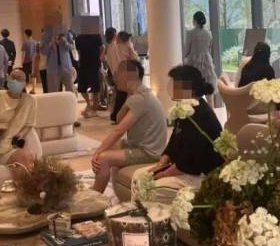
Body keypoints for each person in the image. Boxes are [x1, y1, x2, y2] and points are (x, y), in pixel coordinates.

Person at [141, 65, 224, 203]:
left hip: (199, 175)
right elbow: (174, 140)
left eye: (174, 84)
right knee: (140, 176)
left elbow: (190, 158)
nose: (171, 87)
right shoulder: (184, 109)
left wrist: (165, 173)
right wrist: (160, 165)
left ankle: (148, 215)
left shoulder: (200, 114)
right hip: (183, 168)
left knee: (149, 189)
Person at [91, 60, 167, 193]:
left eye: (117, 73)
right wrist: (128, 95)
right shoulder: (138, 95)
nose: (114, 77)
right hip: (140, 144)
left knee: (101, 159)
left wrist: (96, 153)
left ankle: (95, 196)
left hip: (148, 152)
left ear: (128, 75)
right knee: (107, 147)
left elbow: (119, 130)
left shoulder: (140, 98)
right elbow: (119, 119)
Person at [0, 69, 37, 175]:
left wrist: (21, 135)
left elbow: (29, 125)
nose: (16, 81)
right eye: (13, 78)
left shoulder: (29, 101)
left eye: (19, 79)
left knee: (26, 161)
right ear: (8, 79)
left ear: (24, 83)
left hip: (9, 147)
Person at [106, 31, 138, 123]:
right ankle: (117, 116)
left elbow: (109, 62)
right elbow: (135, 59)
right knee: (124, 96)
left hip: (115, 74)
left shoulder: (110, 47)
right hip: (126, 74)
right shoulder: (126, 47)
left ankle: (115, 116)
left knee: (119, 95)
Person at [184, 11, 216, 106]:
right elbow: (209, 48)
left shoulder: (190, 33)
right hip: (207, 63)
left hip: (194, 63)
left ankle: (195, 113)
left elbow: (186, 50)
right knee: (209, 94)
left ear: (195, 21)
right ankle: (211, 112)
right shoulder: (209, 33)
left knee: (193, 93)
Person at [74, 29, 105, 117]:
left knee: (95, 87)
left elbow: (102, 48)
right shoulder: (79, 37)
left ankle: (94, 109)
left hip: (95, 64)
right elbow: (79, 51)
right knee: (81, 88)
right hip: (83, 64)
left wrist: (100, 58)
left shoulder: (96, 35)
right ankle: (89, 104)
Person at [41, 27, 75, 93]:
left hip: (67, 67)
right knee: (53, 92)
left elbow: (72, 47)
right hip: (52, 68)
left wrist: (65, 42)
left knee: (71, 90)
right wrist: (50, 43)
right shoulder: (45, 35)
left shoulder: (67, 33)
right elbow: (43, 51)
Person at [20, 29, 38, 94]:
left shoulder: (25, 43)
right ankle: (33, 89)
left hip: (26, 62)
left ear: (25, 34)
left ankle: (24, 90)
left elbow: (23, 53)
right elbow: (36, 52)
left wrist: (22, 62)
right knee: (33, 76)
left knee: (25, 76)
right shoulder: (35, 42)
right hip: (33, 61)